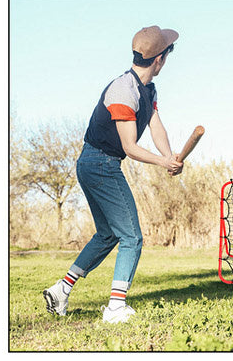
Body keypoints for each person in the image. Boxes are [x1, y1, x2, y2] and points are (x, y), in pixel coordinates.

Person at [42, 26, 184, 323]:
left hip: (97, 164)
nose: (168, 58)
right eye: (168, 53)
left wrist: (170, 156)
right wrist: (162, 163)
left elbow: (156, 126)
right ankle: (116, 308)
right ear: (159, 59)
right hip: (100, 164)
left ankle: (60, 290)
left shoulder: (148, 90)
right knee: (131, 236)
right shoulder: (123, 90)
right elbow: (130, 147)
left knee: (108, 234)